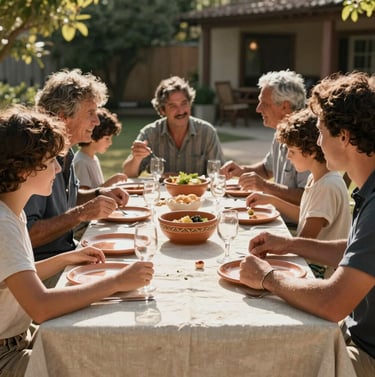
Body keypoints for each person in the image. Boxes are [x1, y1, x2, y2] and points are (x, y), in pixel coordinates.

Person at [0, 106, 153, 376]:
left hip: (19, 337)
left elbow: (17, 276)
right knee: (97, 363)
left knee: (100, 343)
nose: (59, 169)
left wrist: (67, 259)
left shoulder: (14, 211)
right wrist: (116, 281)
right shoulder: (4, 224)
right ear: (24, 171)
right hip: (6, 353)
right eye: (50, 162)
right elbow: (41, 307)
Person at [239, 71, 375, 376]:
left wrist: (268, 278)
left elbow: (332, 302)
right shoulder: (368, 190)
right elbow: (355, 251)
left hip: (365, 353)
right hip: (353, 332)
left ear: (345, 136)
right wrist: (289, 243)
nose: (317, 141)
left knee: (264, 362)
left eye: (321, 131)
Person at [24, 69, 130, 263]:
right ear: (64, 117)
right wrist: (82, 214)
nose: (97, 121)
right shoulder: (35, 162)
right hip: (40, 271)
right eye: (91, 113)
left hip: (69, 253)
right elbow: (28, 234)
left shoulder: (67, 152)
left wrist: (100, 193)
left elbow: (67, 199)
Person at [246, 108, 351, 278]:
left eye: (292, 151)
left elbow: (304, 240)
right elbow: (306, 216)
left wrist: (275, 246)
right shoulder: (316, 179)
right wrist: (273, 201)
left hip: (319, 273)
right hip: (312, 264)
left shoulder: (327, 186)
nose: (288, 157)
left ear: (310, 151)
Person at [220, 70, 309, 205]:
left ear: (285, 106)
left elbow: (307, 197)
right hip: (280, 217)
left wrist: (265, 186)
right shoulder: (281, 133)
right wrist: (241, 170)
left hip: (294, 224)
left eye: (264, 104)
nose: (258, 109)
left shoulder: (307, 140)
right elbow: (266, 170)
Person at [122, 76, 225, 177]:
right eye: (173, 106)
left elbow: (219, 173)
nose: (180, 111)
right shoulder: (150, 133)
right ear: (162, 110)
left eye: (184, 103)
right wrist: (136, 158)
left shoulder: (207, 132)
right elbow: (128, 174)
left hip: (198, 193)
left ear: (190, 104)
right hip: (161, 193)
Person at [73, 107, 128, 189]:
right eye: (107, 138)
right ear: (93, 136)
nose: (110, 143)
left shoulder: (93, 158)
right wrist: (112, 181)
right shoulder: (81, 162)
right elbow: (84, 195)